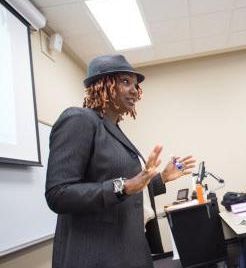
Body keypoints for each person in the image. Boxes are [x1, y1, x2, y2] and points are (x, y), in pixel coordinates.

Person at [45, 54, 196, 268]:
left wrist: (161, 177)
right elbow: (58, 194)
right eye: (125, 82)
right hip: (99, 255)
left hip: (130, 248)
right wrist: (122, 187)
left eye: (136, 85)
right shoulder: (79, 119)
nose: (134, 90)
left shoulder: (114, 129)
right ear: (102, 85)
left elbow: (134, 190)